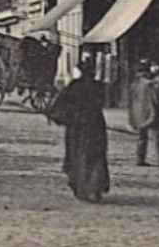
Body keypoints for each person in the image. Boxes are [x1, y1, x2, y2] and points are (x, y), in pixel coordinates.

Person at [46, 52, 111, 202]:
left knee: (78, 155)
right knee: (96, 155)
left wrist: (55, 115)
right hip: (96, 125)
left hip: (77, 127)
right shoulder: (96, 86)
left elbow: (61, 106)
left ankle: (82, 188)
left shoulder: (74, 86)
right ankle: (95, 187)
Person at [128, 58, 159, 167]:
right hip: (150, 112)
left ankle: (140, 159)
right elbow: (155, 98)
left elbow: (131, 99)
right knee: (156, 136)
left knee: (141, 136)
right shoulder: (151, 84)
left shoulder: (134, 84)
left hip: (138, 112)